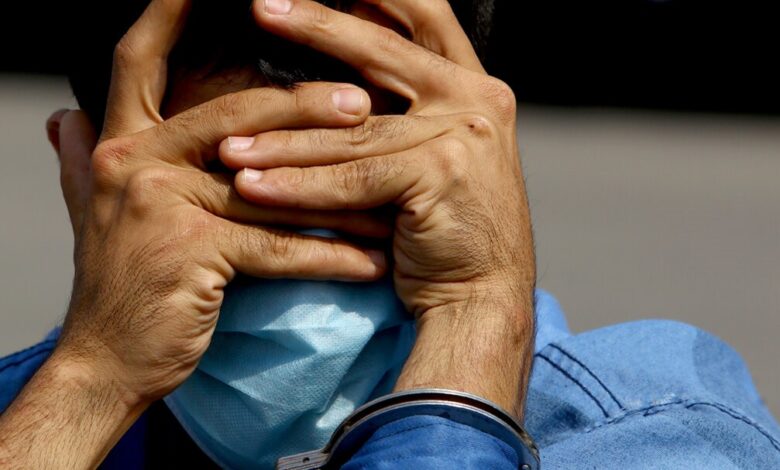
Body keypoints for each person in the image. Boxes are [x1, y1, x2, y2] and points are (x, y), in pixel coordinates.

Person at [1, 1, 779, 469]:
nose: (294, 258)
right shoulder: (28, 417)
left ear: (482, 166)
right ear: (84, 172)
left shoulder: (662, 435)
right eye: (228, 189)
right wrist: (89, 384)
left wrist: (476, 314)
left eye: (367, 189)